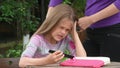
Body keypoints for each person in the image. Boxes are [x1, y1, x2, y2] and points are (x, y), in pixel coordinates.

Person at [48, 0, 120, 62]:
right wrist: (49, 20)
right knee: (85, 63)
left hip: (113, 29)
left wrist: (91, 19)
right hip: (89, 30)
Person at [19, 4, 86, 68]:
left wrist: (75, 34)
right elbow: (22, 62)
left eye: (67, 30)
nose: (63, 32)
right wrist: (46, 61)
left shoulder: (65, 40)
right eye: (61, 27)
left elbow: (82, 60)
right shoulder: (38, 39)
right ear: (52, 23)